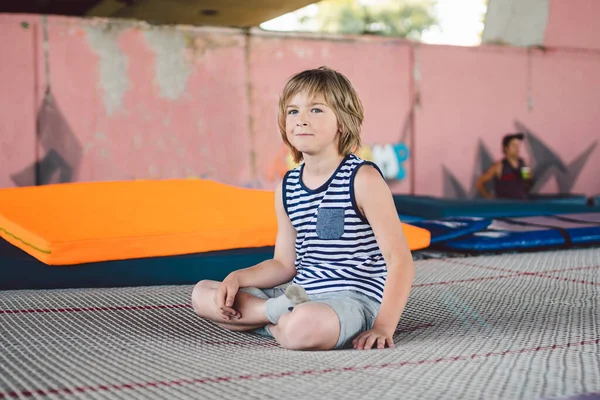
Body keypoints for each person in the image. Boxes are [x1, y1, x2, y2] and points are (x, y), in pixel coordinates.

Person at [191, 66, 415, 351]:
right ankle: (278, 317)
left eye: (316, 110)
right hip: (296, 294)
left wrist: (383, 326)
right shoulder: (287, 186)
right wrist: (238, 277)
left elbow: (400, 260)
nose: (301, 120)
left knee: (306, 324)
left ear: (342, 122)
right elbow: (284, 264)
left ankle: (264, 319)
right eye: (293, 111)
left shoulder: (363, 179)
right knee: (203, 293)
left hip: (350, 299)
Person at [476, 133, 533, 200]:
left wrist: (528, 176)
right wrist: (489, 197)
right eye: (513, 145)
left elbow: (527, 182)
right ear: (506, 148)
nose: (517, 148)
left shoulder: (523, 165)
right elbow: (480, 183)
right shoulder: (499, 166)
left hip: (521, 206)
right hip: (505, 207)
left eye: (518, 145)